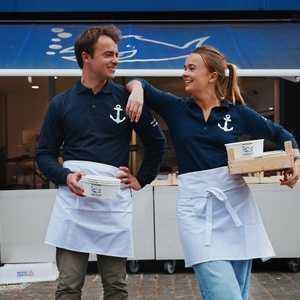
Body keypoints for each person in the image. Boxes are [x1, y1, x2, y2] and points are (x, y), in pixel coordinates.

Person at [126, 45, 300, 300]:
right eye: (184, 68)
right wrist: (138, 91)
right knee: (224, 294)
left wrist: (296, 160)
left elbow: (281, 134)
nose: (184, 73)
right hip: (194, 210)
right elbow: (135, 81)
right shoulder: (176, 108)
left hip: (236, 209)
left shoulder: (237, 112)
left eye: (191, 68)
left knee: (236, 294)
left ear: (212, 76)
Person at [36, 25, 167, 300]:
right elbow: (44, 155)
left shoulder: (127, 99)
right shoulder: (60, 104)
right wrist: (64, 176)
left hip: (112, 205)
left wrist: (142, 178)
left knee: (116, 288)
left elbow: (157, 142)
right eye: (108, 54)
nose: (115, 60)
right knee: (68, 288)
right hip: (74, 205)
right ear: (86, 57)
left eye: (116, 54)